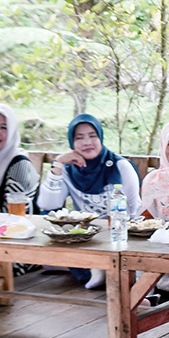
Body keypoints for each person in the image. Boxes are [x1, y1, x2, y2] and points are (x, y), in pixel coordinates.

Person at [37, 113, 141, 288]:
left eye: (92, 136)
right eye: (79, 138)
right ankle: (96, 270)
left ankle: (101, 270)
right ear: (72, 142)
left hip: (117, 235)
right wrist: (58, 164)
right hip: (86, 237)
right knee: (50, 218)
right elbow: (47, 205)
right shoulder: (69, 170)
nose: (87, 142)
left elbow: (135, 209)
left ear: (100, 138)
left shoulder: (120, 166)